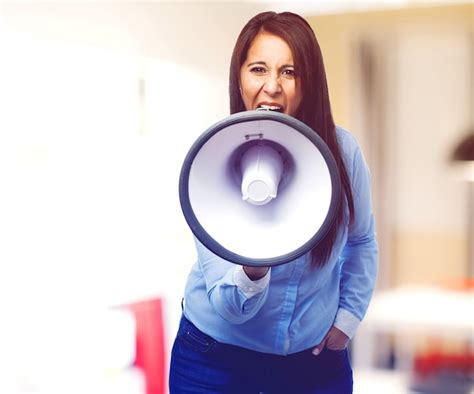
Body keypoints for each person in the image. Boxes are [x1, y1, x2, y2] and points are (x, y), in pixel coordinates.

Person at [169, 10, 378, 394]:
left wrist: (346, 321)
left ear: (309, 82)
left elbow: (362, 241)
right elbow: (232, 308)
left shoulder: (342, 152)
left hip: (312, 363)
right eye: (259, 69)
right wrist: (253, 266)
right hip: (215, 360)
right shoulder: (211, 158)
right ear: (239, 76)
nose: (272, 86)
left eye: (289, 72)